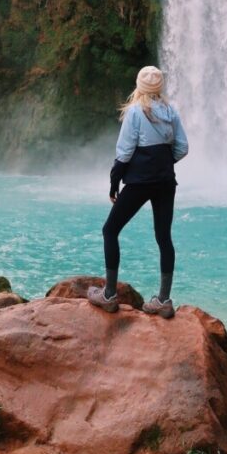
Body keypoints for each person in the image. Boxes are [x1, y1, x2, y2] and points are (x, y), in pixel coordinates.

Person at [87, 65, 189, 319]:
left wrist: (114, 183)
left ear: (139, 86)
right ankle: (164, 300)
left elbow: (124, 151)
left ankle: (109, 295)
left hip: (139, 181)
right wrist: (163, 163)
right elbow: (183, 147)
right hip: (165, 181)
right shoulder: (170, 110)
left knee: (110, 230)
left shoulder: (134, 112)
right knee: (164, 237)